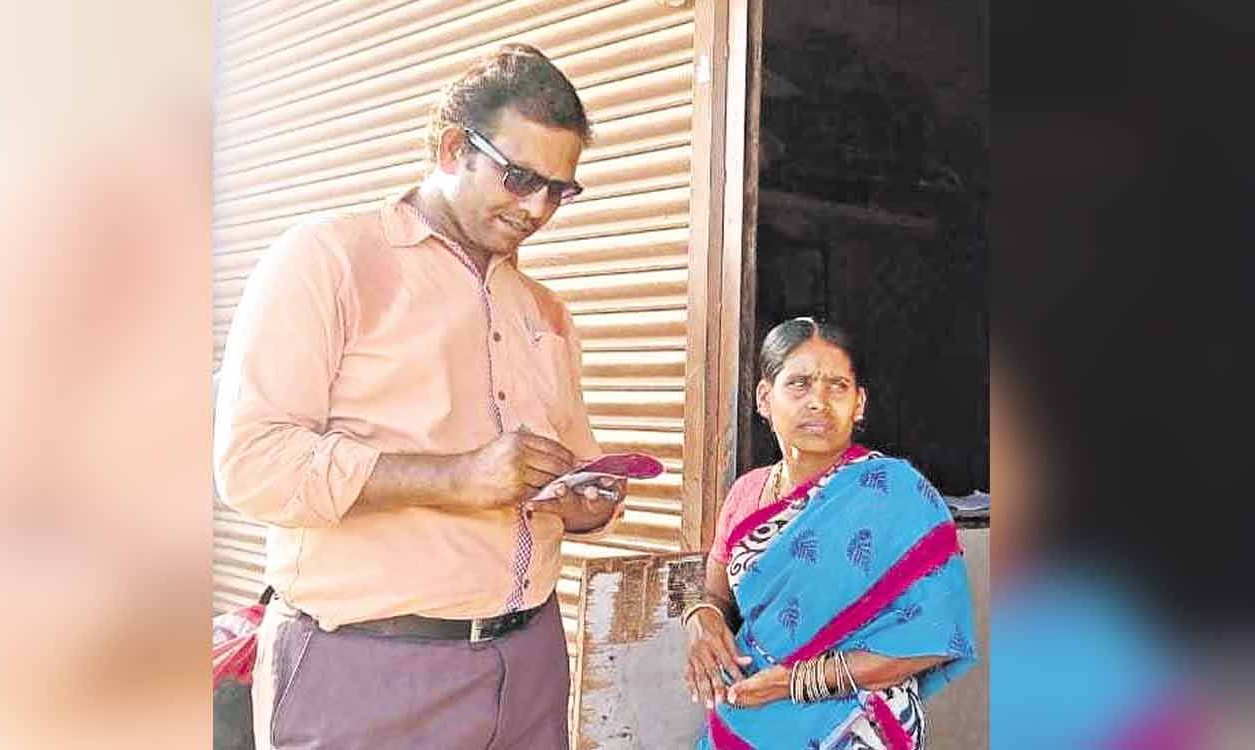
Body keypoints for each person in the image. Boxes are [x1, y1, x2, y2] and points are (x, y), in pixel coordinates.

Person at [213, 44, 626, 750]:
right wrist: (457, 479)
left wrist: (587, 503)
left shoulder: (545, 311)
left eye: (560, 189)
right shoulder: (328, 260)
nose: (538, 208)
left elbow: (577, 460)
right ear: (452, 148)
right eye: (521, 177)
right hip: (369, 668)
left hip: (529, 660)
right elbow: (253, 463)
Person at [682, 317, 977, 750]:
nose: (818, 401)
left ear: (859, 403)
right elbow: (717, 596)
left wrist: (798, 681)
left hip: (857, 728)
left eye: (837, 386)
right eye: (799, 384)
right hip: (748, 719)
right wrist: (701, 620)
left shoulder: (897, 494)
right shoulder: (745, 494)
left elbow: (937, 635)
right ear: (765, 398)